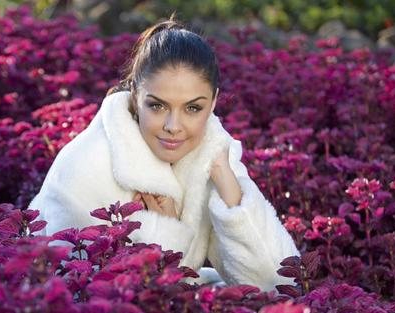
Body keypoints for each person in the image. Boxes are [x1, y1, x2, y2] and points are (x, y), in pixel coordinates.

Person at [27, 17, 298, 292]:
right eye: (157, 106)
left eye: (193, 108)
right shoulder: (87, 163)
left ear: (214, 101)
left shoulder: (211, 152)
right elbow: (87, 298)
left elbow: (280, 283)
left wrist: (225, 180)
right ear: (135, 95)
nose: (173, 127)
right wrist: (165, 231)